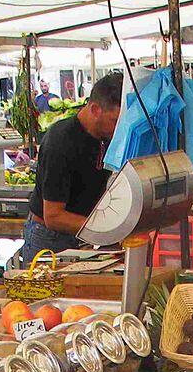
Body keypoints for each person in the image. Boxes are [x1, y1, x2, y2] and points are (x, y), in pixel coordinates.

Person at [22, 72, 123, 261]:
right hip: (49, 240)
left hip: (81, 235)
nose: (118, 128)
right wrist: (107, 228)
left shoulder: (105, 138)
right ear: (94, 109)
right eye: (115, 121)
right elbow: (53, 217)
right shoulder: (61, 141)